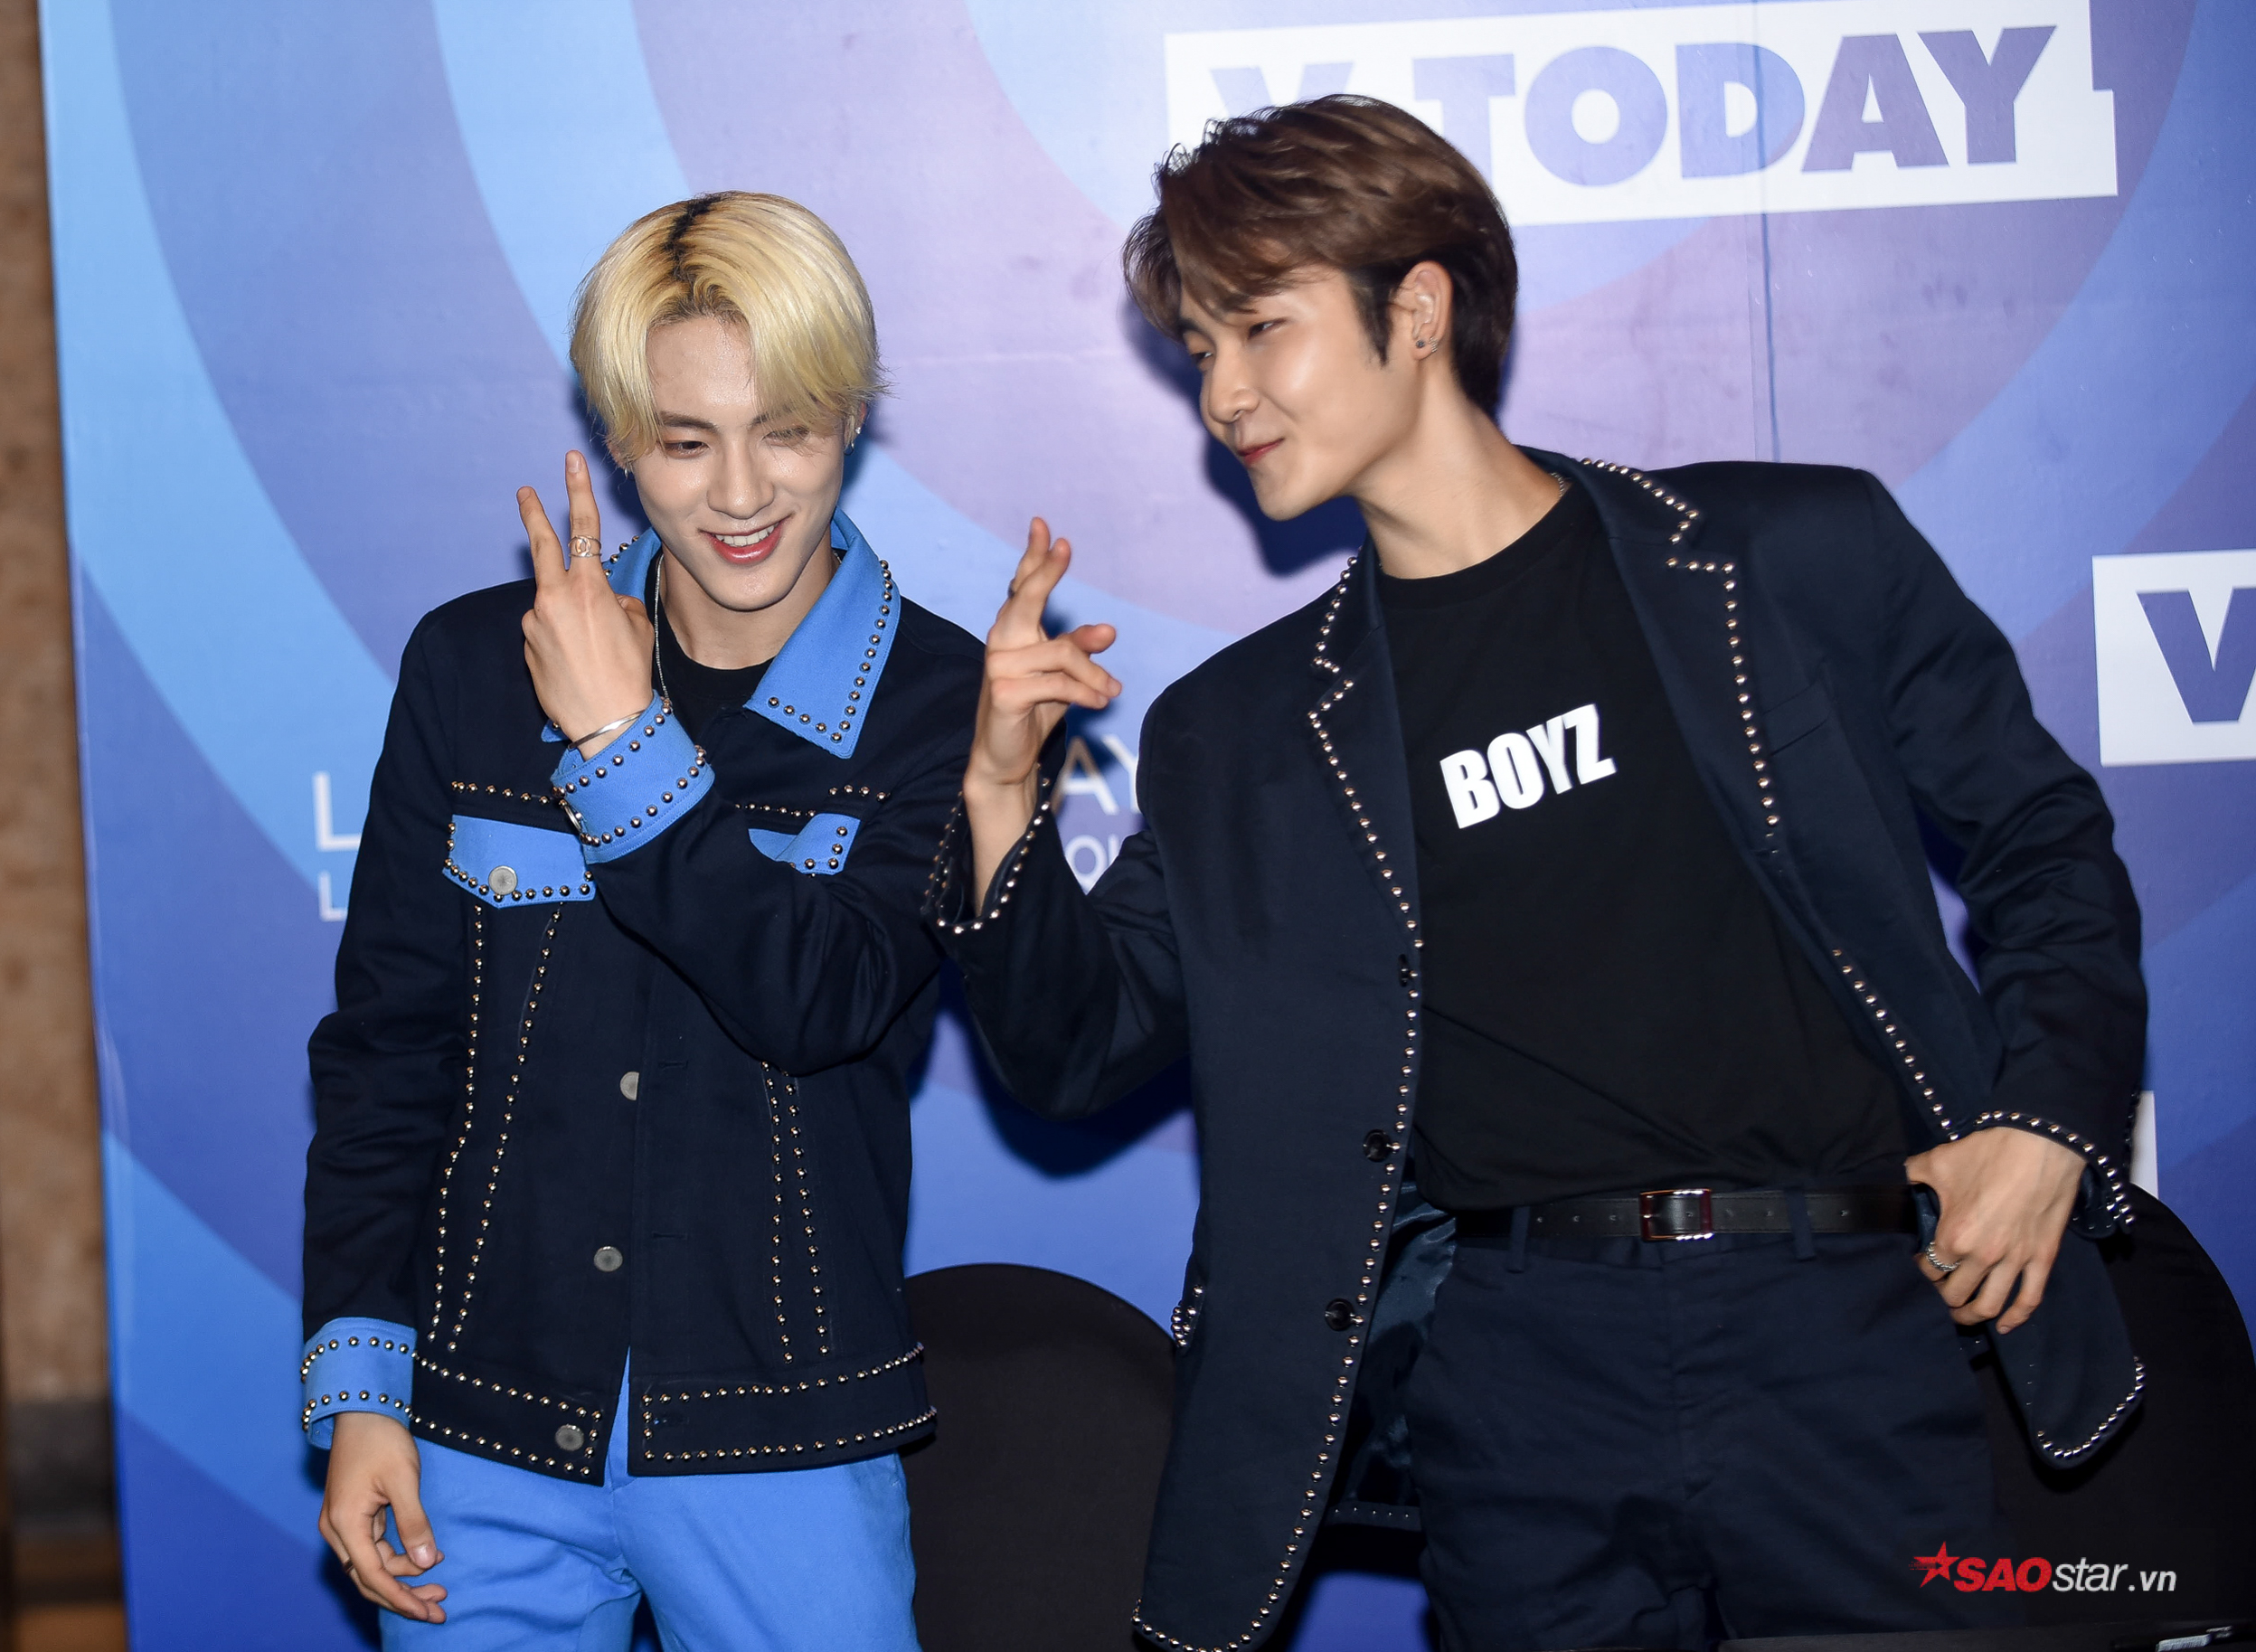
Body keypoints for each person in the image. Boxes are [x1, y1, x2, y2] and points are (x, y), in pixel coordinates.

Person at [930, 96, 2146, 1652]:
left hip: (1840, 1323)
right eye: (1198, 349)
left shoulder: (1788, 558)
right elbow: (1073, 1047)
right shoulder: (1245, 734)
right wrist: (998, 792)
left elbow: (2041, 836)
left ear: (1416, 308)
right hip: (1514, 1374)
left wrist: (2043, 1122)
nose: (1222, 394)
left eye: (1261, 328)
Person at [301, 191, 979, 1650]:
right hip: (477, 1427)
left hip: (782, 1430)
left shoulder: (942, 703)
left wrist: (621, 749)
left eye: (785, 430)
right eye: (685, 441)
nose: (740, 493)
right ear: (618, 440)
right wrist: (363, 1391)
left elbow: (818, 1003)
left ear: (852, 417)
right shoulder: (470, 669)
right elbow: (390, 1053)